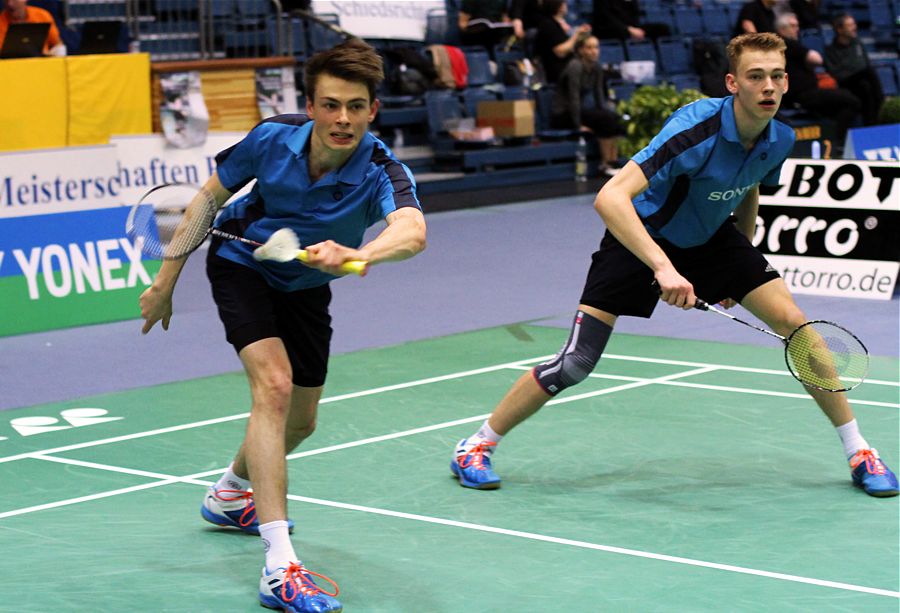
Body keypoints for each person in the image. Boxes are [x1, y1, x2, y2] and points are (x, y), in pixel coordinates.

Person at [449, 32, 898, 499]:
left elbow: (748, 188)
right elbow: (610, 197)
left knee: (795, 323)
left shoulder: (778, 138)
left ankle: (859, 451)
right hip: (639, 236)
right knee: (577, 362)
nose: (768, 86)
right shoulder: (695, 127)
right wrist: (663, 268)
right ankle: (476, 444)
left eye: (777, 76)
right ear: (732, 83)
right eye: (755, 76)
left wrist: (734, 268)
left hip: (710, 236)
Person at [140, 39, 427, 613]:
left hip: (304, 284)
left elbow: (413, 230)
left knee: (302, 422)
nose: (340, 119)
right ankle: (280, 565)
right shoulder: (272, 138)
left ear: (373, 110)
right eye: (329, 104)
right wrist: (165, 281)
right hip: (243, 264)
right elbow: (206, 201)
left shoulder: (380, 168)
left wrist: (358, 252)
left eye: (354, 106)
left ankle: (227, 495)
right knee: (271, 388)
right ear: (312, 104)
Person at [776, 12, 861, 146]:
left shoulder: (786, 46)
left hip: (808, 92)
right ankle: (838, 142)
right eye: (792, 26)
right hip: (802, 95)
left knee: (844, 103)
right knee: (851, 100)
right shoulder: (787, 44)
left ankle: (835, 140)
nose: (797, 29)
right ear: (781, 29)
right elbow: (817, 59)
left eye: (797, 25)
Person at [551, 34, 625, 175]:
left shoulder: (597, 67)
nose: (594, 51)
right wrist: (578, 124)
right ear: (580, 51)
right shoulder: (575, 66)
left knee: (614, 117)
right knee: (605, 119)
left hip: (578, 110)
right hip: (563, 114)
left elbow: (599, 94)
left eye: (596, 47)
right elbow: (574, 98)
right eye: (589, 48)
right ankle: (605, 164)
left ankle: (614, 161)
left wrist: (605, 112)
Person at [824, 14, 884, 126]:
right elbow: (838, 74)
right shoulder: (830, 50)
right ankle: (880, 109)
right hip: (846, 84)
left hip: (862, 81)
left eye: (854, 24)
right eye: (850, 25)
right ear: (839, 29)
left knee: (865, 86)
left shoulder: (858, 43)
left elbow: (865, 63)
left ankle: (872, 124)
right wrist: (854, 69)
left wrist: (852, 68)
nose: (854, 27)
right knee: (868, 74)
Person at [535, 0, 592, 84]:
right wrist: (576, 34)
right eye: (564, 3)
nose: (566, 5)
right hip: (557, 70)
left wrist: (581, 34)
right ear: (558, 6)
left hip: (568, 66)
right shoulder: (548, 25)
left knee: (594, 66)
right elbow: (560, 52)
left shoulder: (560, 24)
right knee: (579, 67)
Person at [0, 0, 65, 56]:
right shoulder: (1, 21)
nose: (10, 4)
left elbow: (58, 44)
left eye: (14, 0)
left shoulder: (42, 15)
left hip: (41, 62)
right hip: (10, 64)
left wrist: (51, 54)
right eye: (6, 1)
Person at [591, 0, 671, 42]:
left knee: (663, 29)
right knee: (621, 32)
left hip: (630, 27)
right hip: (608, 28)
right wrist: (628, 29)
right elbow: (605, 17)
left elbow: (635, 14)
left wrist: (635, 29)